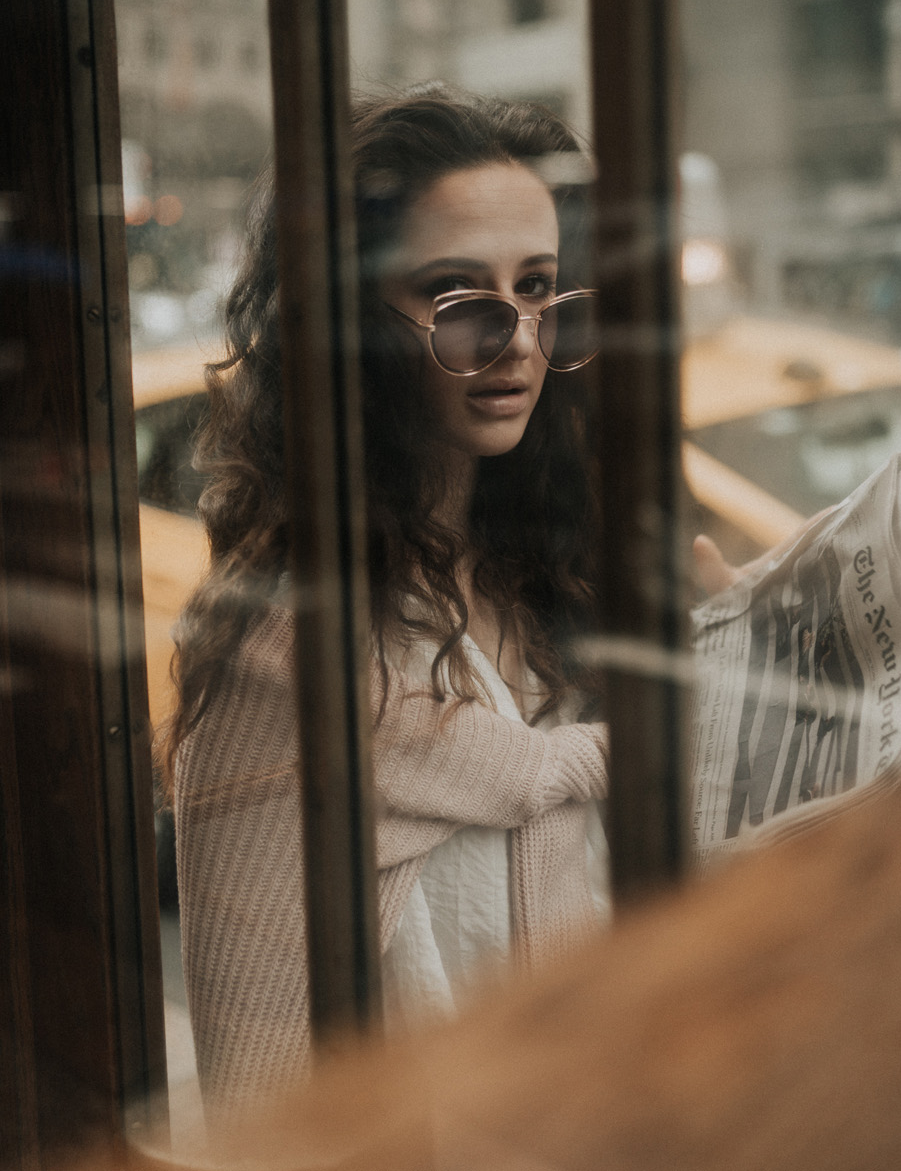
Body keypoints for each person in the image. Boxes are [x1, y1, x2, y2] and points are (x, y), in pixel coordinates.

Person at [163, 88, 611, 1110]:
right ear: (347, 322)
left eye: (538, 288)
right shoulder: (283, 652)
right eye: (455, 295)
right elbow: (264, 1078)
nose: (515, 340)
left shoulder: (535, 575)